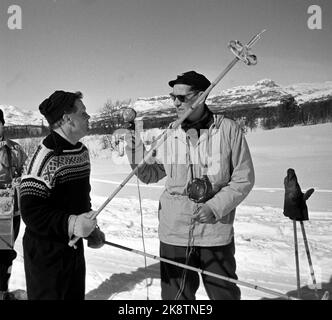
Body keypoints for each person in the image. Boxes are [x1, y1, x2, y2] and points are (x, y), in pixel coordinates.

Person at [125, 71, 255, 300]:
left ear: (201, 97)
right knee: (176, 302)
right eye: (173, 97)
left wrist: (214, 207)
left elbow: (243, 179)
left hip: (215, 233)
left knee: (225, 297)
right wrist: (132, 142)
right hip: (174, 234)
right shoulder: (170, 134)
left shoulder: (228, 130)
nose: (175, 102)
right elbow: (148, 173)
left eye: (182, 97)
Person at [20, 91, 105, 300]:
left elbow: (81, 198)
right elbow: (31, 213)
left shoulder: (81, 152)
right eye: (83, 113)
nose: (88, 117)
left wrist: (91, 226)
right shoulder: (45, 158)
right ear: (67, 119)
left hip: (73, 250)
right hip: (46, 254)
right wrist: (72, 223)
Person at [0, 109, 27, 300]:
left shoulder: (15, 149)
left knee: (6, 254)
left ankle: (2, 292)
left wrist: (22, 181)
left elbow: (28, 172)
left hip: (10, 210)